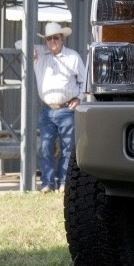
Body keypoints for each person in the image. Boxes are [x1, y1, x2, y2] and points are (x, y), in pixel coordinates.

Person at [33, 21, 86, 192]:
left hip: (66, 109)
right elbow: (20, 44)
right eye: (48, 39)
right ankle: (48, 183)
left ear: (62, 38)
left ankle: (64, 182)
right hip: (47, 109)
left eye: (55, 38)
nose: (52, 42)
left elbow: (85, 80)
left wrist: (79, 98)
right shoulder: (41, 55)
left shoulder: (72, 57)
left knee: (67, 148)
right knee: (45, 147)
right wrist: (39, 49)